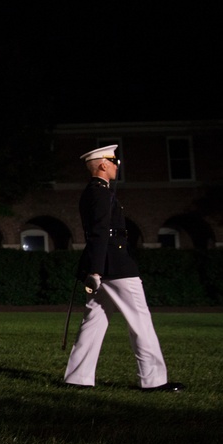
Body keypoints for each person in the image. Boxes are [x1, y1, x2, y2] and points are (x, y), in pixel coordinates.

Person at [63, 144, 184, 392]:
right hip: (116, 265)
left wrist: (94, 270)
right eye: (113, 162)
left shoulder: (94, 192)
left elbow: (97, 234)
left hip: (104, 264)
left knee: (93, 322)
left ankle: (78, 377)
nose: (117, 166)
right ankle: (153, 380)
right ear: (102, 165)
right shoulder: (101, 193)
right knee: (140, 321)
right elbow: (99, 233)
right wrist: (95, 271)